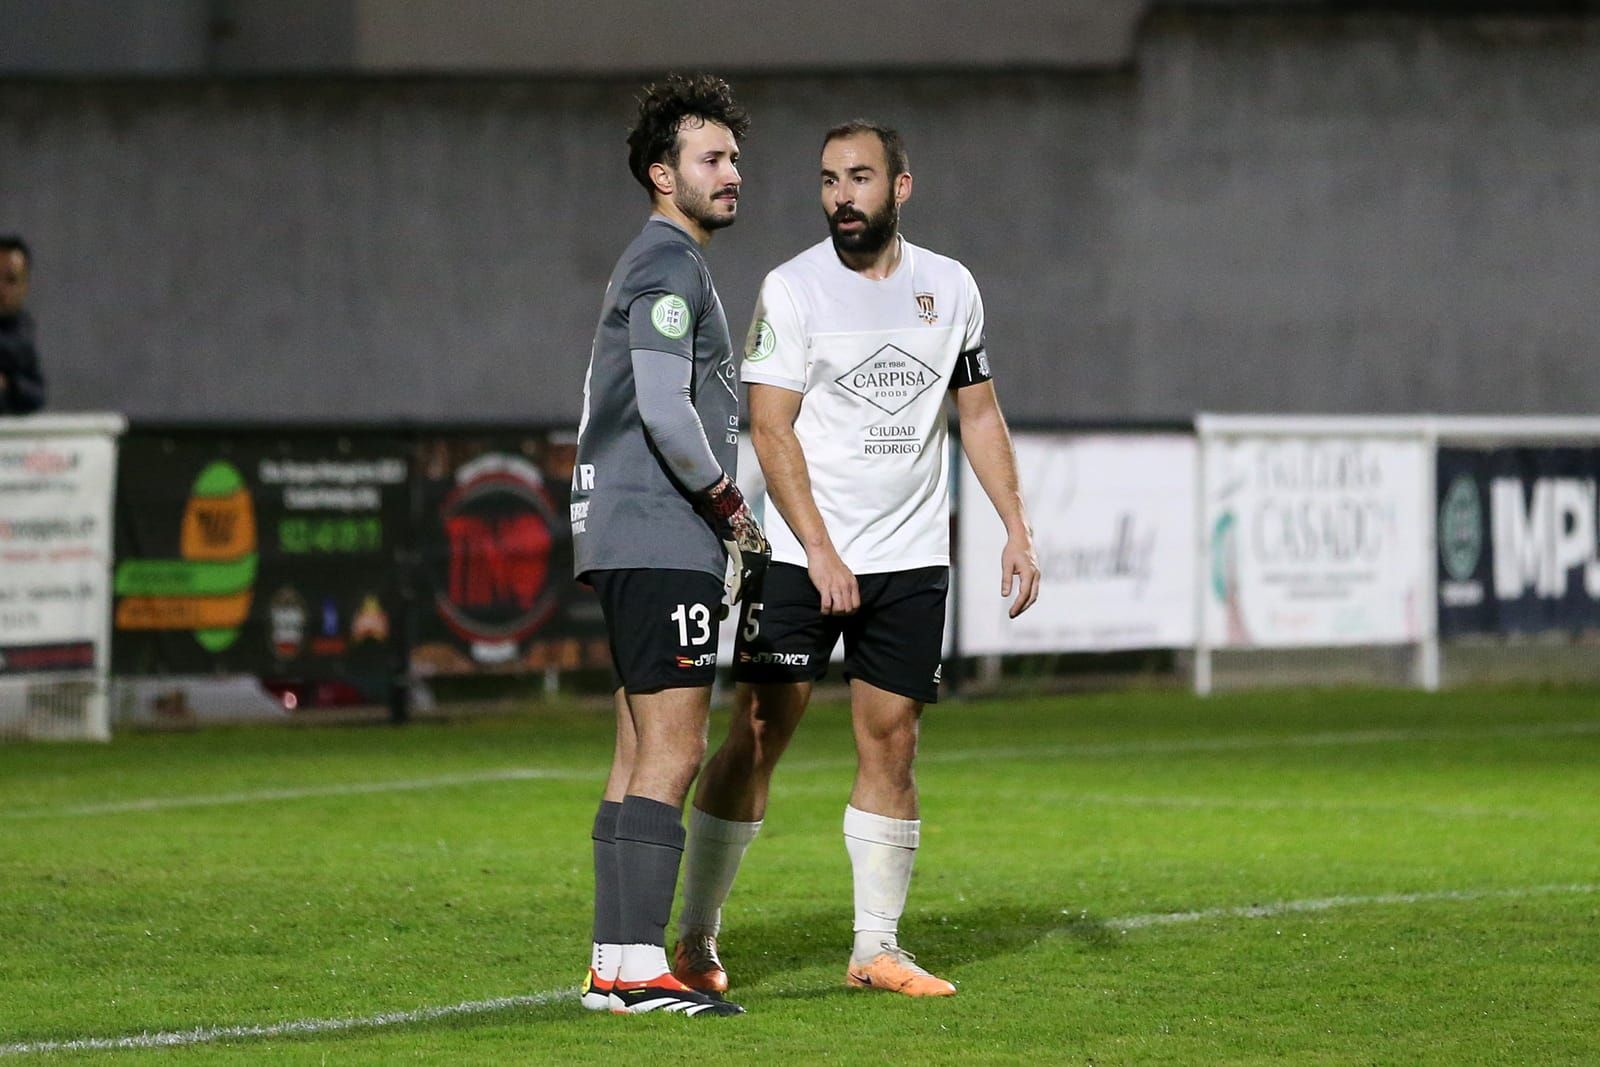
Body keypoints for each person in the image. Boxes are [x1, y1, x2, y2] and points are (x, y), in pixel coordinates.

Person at [672, 121, 1041, 999]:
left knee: (895, 742)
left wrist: (1016, 526)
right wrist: (824, 551)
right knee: (759, 736)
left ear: (900, 187)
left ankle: (876, 948)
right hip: (803, 557)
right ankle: (694, 936)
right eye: (830, 180)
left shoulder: (949, 288)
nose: (842, 196)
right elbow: (770, 428)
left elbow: (979, 414)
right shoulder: (793, 288)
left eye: (861, 178)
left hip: (910, 558)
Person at [568, 73, 769, 1019]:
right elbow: (662, 405)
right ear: (662, 173)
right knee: (676, 750)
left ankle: (615, 966)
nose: (733, 173)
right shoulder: (668, 265)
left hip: (626, 531)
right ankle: (644, 965)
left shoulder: (657, 261)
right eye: (712, 158)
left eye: (734, 156)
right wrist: (730, 504)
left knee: (636, 747)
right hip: (660, 531)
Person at [0, 235, 47, 415]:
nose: (1, 288)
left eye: (10, 280)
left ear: (24, 286)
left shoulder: (23, 332)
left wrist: (9, 385)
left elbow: (36, 395)